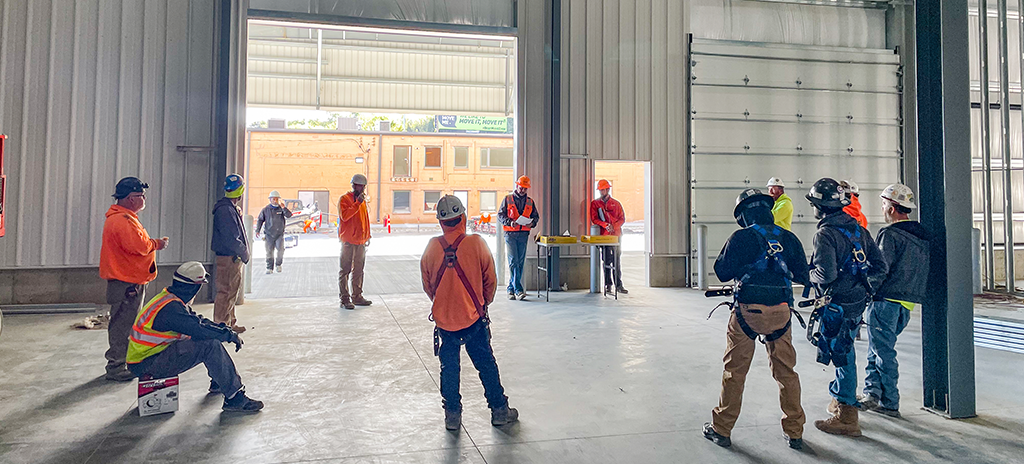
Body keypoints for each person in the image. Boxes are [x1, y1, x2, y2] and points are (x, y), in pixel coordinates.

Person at [702, 188, 811, 451]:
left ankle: (722, 429)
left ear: (742, 216)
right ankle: (795, 432)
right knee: (786, 373)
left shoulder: (740, 237)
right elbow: (802, 275)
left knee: (735, 372)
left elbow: (722, 273)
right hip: (781, 313)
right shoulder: (789, 238)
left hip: (747, 313)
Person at [420, 195, 519, 431]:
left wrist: (444, 302)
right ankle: (499, 411)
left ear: (441, 222)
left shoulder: (432, 248)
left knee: (449, 368)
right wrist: (482, 303)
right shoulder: (477, 244)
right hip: (473, 318)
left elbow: (427, 285)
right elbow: (490, 280)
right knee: (486, 364)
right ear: (462, 218)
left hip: (445, 322)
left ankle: (452, 416)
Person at [805, 178, 886, 437]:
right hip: (856, 302)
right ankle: (840, 396)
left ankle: (847, 414)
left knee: (842, 354)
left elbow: (825, 274)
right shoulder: (858, 229)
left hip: (837, 304)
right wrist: (864, 288)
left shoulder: (825, 234)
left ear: (820, 207)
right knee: (844, 349)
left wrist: (808, 276)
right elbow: (879, 266)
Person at [126, 262, 263, 412]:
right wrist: (228, 335)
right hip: (148, 365)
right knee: (209, 344)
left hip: (147, 358)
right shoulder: (171, 309)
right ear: (194, 287)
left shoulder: (168, 299)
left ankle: (220, 380)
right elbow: (199, 329)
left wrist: (224, 330)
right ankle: (235, 398)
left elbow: (198, 321)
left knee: (208, 337)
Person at [858, 184, 929, 418]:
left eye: (884, 203)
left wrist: (865, 290)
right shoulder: (921, 237)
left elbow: (880, 268)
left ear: (891, 206)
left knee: (883, 352)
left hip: (885, 301)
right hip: (906, 304)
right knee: (877, 348)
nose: (882, 208)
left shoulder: (890, 234)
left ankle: (890, 402)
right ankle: (872, 392)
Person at [99, 177, 169, 381]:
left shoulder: (123, 218)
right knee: (123, 324)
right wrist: (156, 244)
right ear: (131, 198)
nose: (144, 199)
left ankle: (122, 362)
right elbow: (139, 246)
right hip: (126, 282)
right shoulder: (122, 221)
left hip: (128, 280)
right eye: (141, 196)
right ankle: (117, 366)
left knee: (125, 322)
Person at [212, 174, 250, 333]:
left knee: (231, 292)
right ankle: (221, 325)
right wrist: (244, 252)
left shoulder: (229, 208)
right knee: (226, 292)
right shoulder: (225, 210)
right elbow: (231, 238)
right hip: (228, 258)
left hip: (231, 257)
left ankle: (229, 322)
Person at [497, 176, 539, 300]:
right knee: (513, 261)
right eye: (521, 187)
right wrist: (509, 223)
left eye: (525, 188)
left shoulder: (530, 202)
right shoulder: (507, 199)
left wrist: (532, 223)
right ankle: (518, 290)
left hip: (523, 235)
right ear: (517, 186)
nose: (522, 190)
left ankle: (511, 289)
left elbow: (536, 216)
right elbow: (500, 215)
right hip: (510, 234)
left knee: (520, 262)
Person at [338, 174, 372, 310]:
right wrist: (357, 203)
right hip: (348, 241)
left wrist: (367, 235)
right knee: (345, 270)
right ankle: (344, 299)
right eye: (359, 186)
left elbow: (365, 219)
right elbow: (345, 216)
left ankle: (357, 296)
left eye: (363, 186)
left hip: (360, 241)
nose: (361, 188)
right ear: (353, 185)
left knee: (359, 270)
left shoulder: (362, 202)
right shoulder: (344, 200)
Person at [589, 179, 628, 294]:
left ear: (608, 189)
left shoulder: (616, 204)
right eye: (600, 190)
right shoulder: (595, 204)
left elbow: (622, 219)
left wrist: (614, 227)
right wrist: (605, 225)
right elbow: (594, 218)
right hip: (604, 237)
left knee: (617, 261)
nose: (601, 192)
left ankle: (619, 285)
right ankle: (608, 285)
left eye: (603, 189)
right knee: (606, 261)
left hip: (616, 236)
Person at [255, 190, 293, 274]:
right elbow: (260, 220)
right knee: (269, 252)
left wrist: (284, 208)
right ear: (270, 199)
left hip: (279, 234)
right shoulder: (266, 209)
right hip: (269, 235)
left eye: (276, 199)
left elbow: (289, 215)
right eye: (273, 199)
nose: (275, 201)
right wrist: (257, 230)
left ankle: (278, 265)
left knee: (280, 250)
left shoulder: (281, 208)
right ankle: (269, 268)